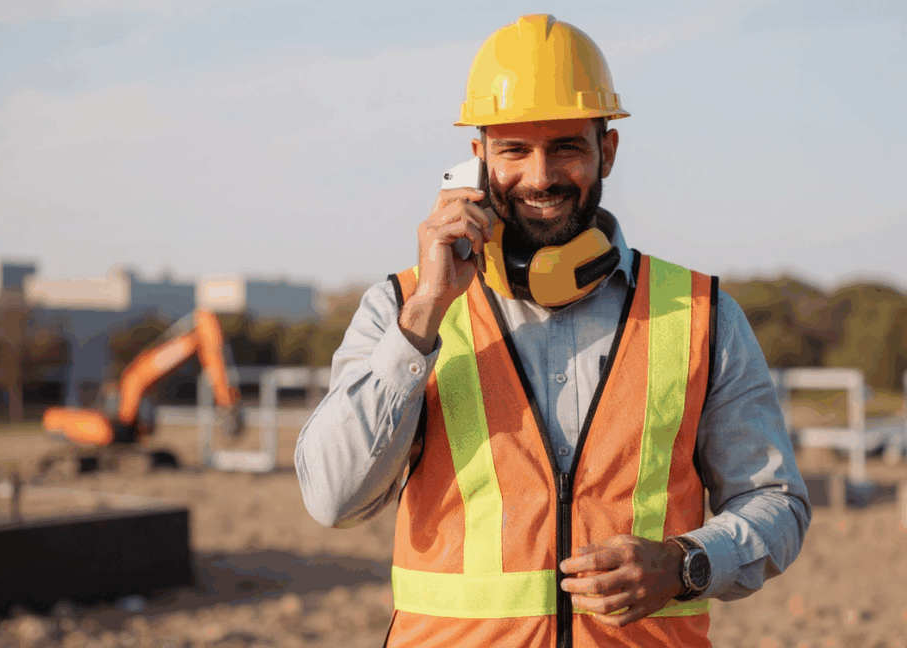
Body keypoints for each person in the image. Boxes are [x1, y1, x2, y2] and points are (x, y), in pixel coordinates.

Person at [296, 14, 811, 648]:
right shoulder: (401, 308)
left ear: (608, 152)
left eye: (566, 145)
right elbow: (331, 499)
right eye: (515, 150)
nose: (541, 177)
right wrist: (427, 311)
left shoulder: (702, 313)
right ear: (478, 160)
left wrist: (684, 563)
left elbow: (777, 504)